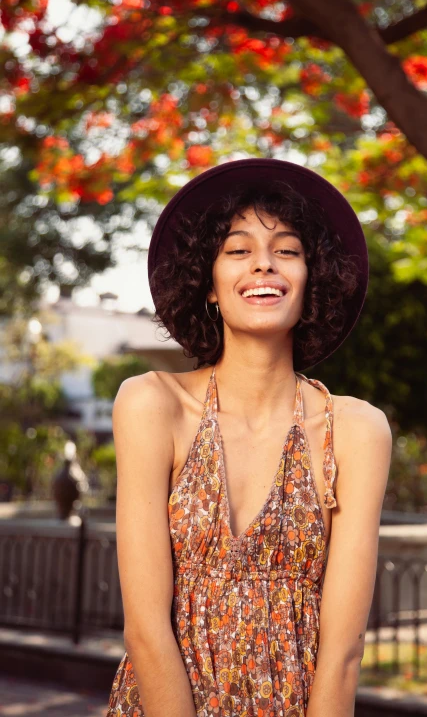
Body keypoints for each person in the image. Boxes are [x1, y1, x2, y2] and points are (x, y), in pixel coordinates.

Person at [105, 158, 392, 717]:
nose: (264, 264)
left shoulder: (356, 430)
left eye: (287, 250)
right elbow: (143, 629)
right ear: (209, 285)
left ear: (312, 278)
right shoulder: (152, 404)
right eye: (237, 251)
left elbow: (343, 652)